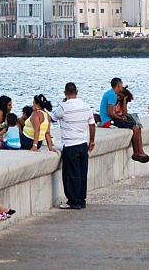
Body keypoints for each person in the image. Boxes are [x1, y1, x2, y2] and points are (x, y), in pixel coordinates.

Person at [50, 82, 96, 210]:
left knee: (70, 174)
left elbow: (52, 118)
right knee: (82, 173)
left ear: (65, 93)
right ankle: (81, 200)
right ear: (77, 92)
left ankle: (73, 201)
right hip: (82, 143)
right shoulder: (85, 106)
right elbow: (92, 125)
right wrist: (91, 141)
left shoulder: (63, 107)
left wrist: (62, 102)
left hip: (70, 144)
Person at [99, 77, 149, 163]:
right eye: (121, 85)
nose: (122, 87)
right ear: (118, 85)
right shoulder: (112, 95)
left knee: (137, 127)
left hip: (111, 119)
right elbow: (110, 112)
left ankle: (140, 152)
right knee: (134, 128)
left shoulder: (111, 93)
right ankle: (137, 154)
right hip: (109, 121)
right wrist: (120, 118)